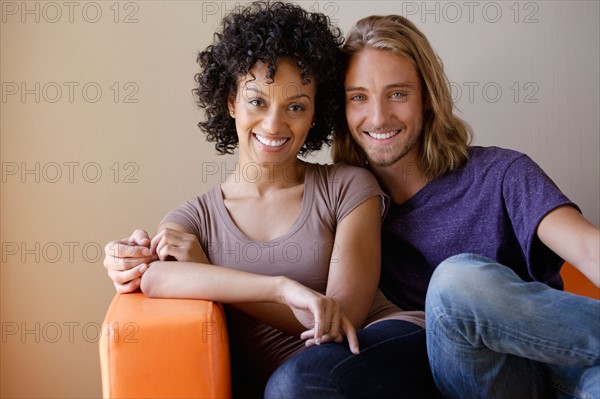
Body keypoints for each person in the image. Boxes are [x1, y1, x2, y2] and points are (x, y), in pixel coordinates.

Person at [103, 3, 435, 397]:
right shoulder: (195, 217)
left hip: (387, 350)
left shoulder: (348, 186)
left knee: (292, 384)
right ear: (231, 102)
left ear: (315, 114)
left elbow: (339, 318)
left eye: (296, 107)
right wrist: (279, 287)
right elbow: (156, 278)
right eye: (257, 101)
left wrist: (211, 275)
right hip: (298, 387)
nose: (275, 124)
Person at [329, 14, 598, 399]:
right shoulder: (351, 206)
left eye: (398, 93)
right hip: (476, 382)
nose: (378, 116)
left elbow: (589, 248)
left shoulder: (502, 172)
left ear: (427, 99)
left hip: (564, 364)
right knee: (454, 284)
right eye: (358, 97)